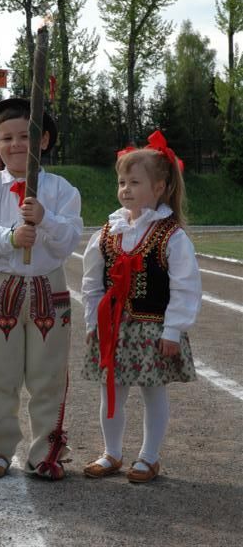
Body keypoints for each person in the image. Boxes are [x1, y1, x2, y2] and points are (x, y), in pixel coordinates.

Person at [0, 97, 83, 480]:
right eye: (7, 138)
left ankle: (45, 452)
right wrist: (10, 237)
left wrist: (44, 219)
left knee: (48, 376)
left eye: (25, 136)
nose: (16, 144)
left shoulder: (61, 190)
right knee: (0, 373)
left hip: (49, 287)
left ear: (43, 140)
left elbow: (69, 239)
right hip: (0, 289)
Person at [81, 131, 201, 483]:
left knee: (153, 391)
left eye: (135, 182)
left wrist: (173, 330)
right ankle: (112, 452)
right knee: (111, 392)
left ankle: (149, 457)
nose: (126, 189)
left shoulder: (171, 235)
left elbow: (185, 286)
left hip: (153, 327)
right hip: (113, 327)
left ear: (159, 187)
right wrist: (93, 323)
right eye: (122, 182)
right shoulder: (108, 231)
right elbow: (92, 282)